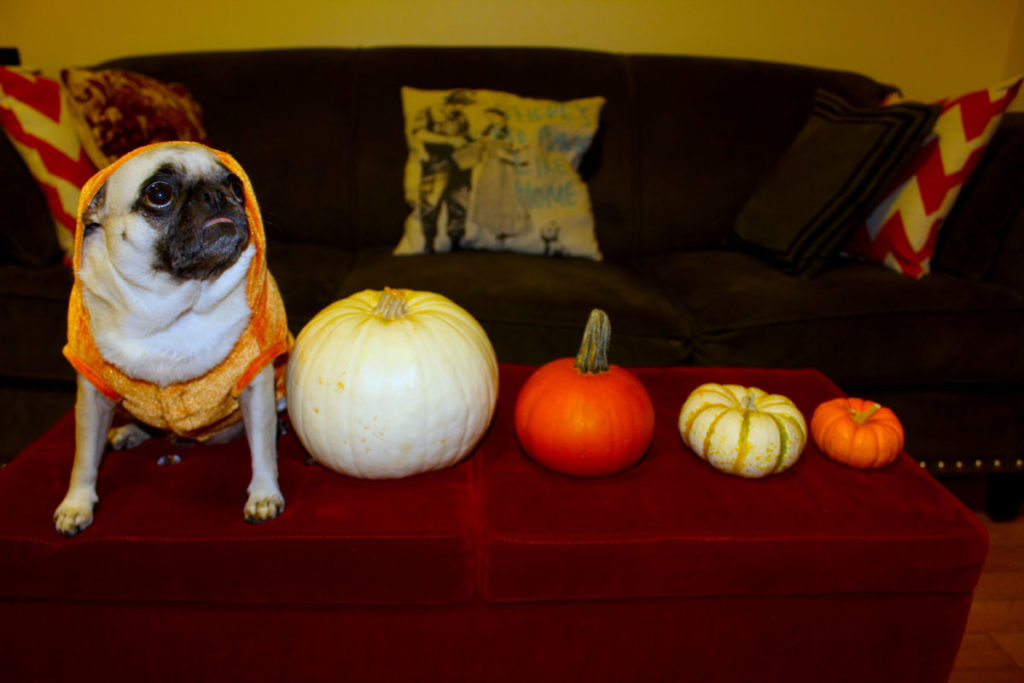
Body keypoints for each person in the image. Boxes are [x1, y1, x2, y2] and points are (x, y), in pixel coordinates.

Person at [410, 90, 475, 251]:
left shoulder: (461, 117)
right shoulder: (428, 112)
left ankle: (456, 242)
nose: (460, 108)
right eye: (458, 104)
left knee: (459, 203)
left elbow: (466, 136)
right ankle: (429, 242)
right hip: (436, 164)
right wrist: (449, 140)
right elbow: (419, 134)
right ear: (450, 102)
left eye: (463, 105)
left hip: (460, 165)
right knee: (430, 202)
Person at [467, 108, 532, 248]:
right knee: (488, 202)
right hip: (489, 174)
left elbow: (525, 160)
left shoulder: (514, 134)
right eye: (489, 118)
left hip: (507, 175)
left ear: (503, 117)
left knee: (506, 203)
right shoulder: (486, 133)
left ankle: (505, 239)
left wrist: (506, 156)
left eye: (494, 117)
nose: (492, 120)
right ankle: (488, 239)